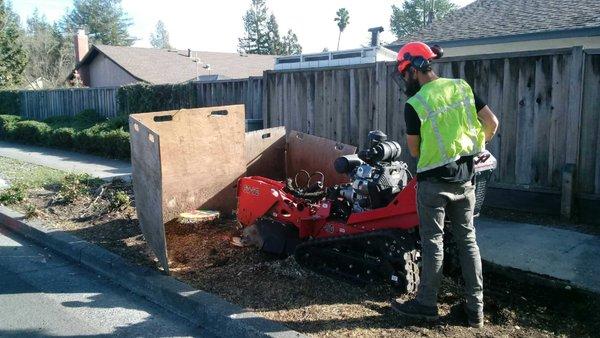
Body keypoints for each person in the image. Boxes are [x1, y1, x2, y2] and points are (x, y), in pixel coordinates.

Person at [389, 42, 499, 328]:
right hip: (465, 178)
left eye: (404, 73)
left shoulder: (415, 104)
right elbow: (492, 122)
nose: (404, 79)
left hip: (433, 184)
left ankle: (426, 304)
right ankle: (476, 311)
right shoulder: (462, 87)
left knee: (433, 242)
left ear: (414, 68)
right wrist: (476, 147)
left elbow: (414, 151)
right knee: (468, 242)